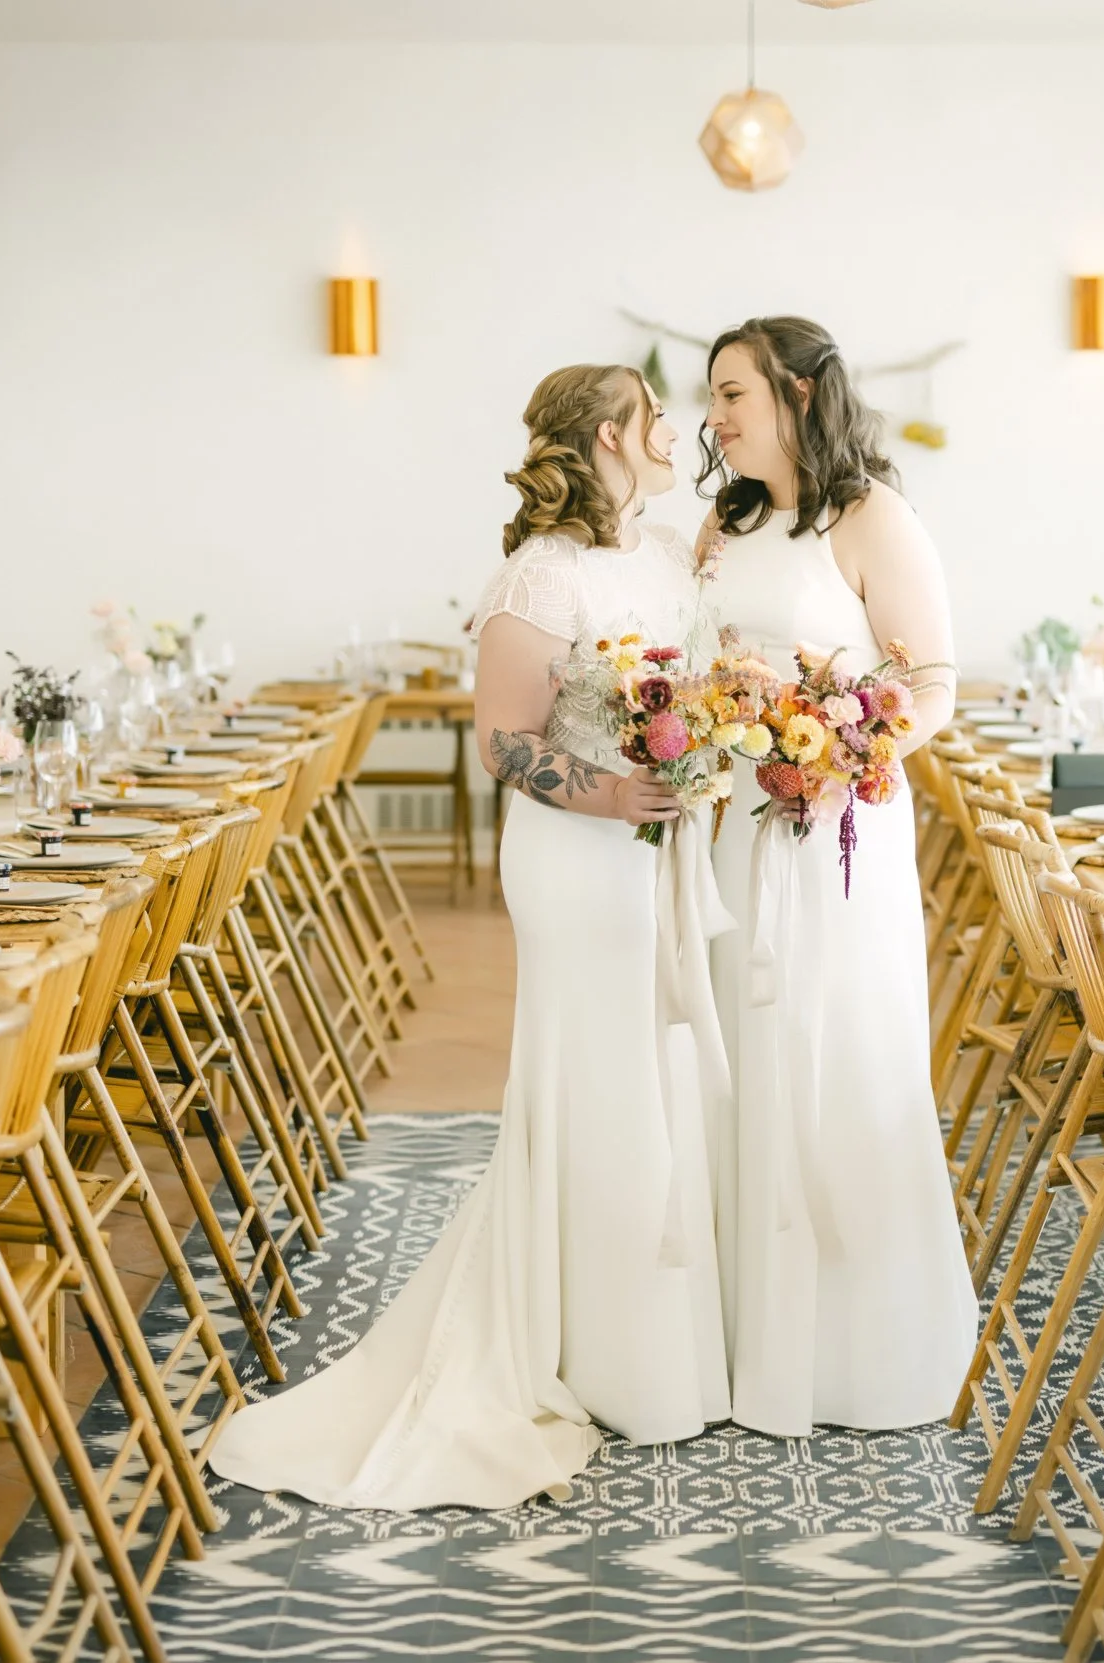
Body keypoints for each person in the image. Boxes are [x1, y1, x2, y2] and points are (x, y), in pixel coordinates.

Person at [206, 364, 729, 1509]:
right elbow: (503, 740)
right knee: (592, 1081)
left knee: (659, 1076)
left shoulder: (666, 550)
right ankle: (591, 1350)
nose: (674, 430)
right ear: (610, 434)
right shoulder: (537, 576)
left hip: (659, 850)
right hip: (578, 854)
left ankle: (658, 1339)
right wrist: (609, 796)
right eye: (655, 418)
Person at [696, 316, 976, 1436]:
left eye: (732, 394)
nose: (713, 418)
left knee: (832, 1057)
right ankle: (738, 1336)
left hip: (834, 836)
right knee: (736, 1059)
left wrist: (842, 756)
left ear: (801, 395)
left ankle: (854, 1346)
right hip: (729, 831)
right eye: (710, 397)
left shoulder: (874, 516)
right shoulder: (725, 520)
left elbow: (934, 683)